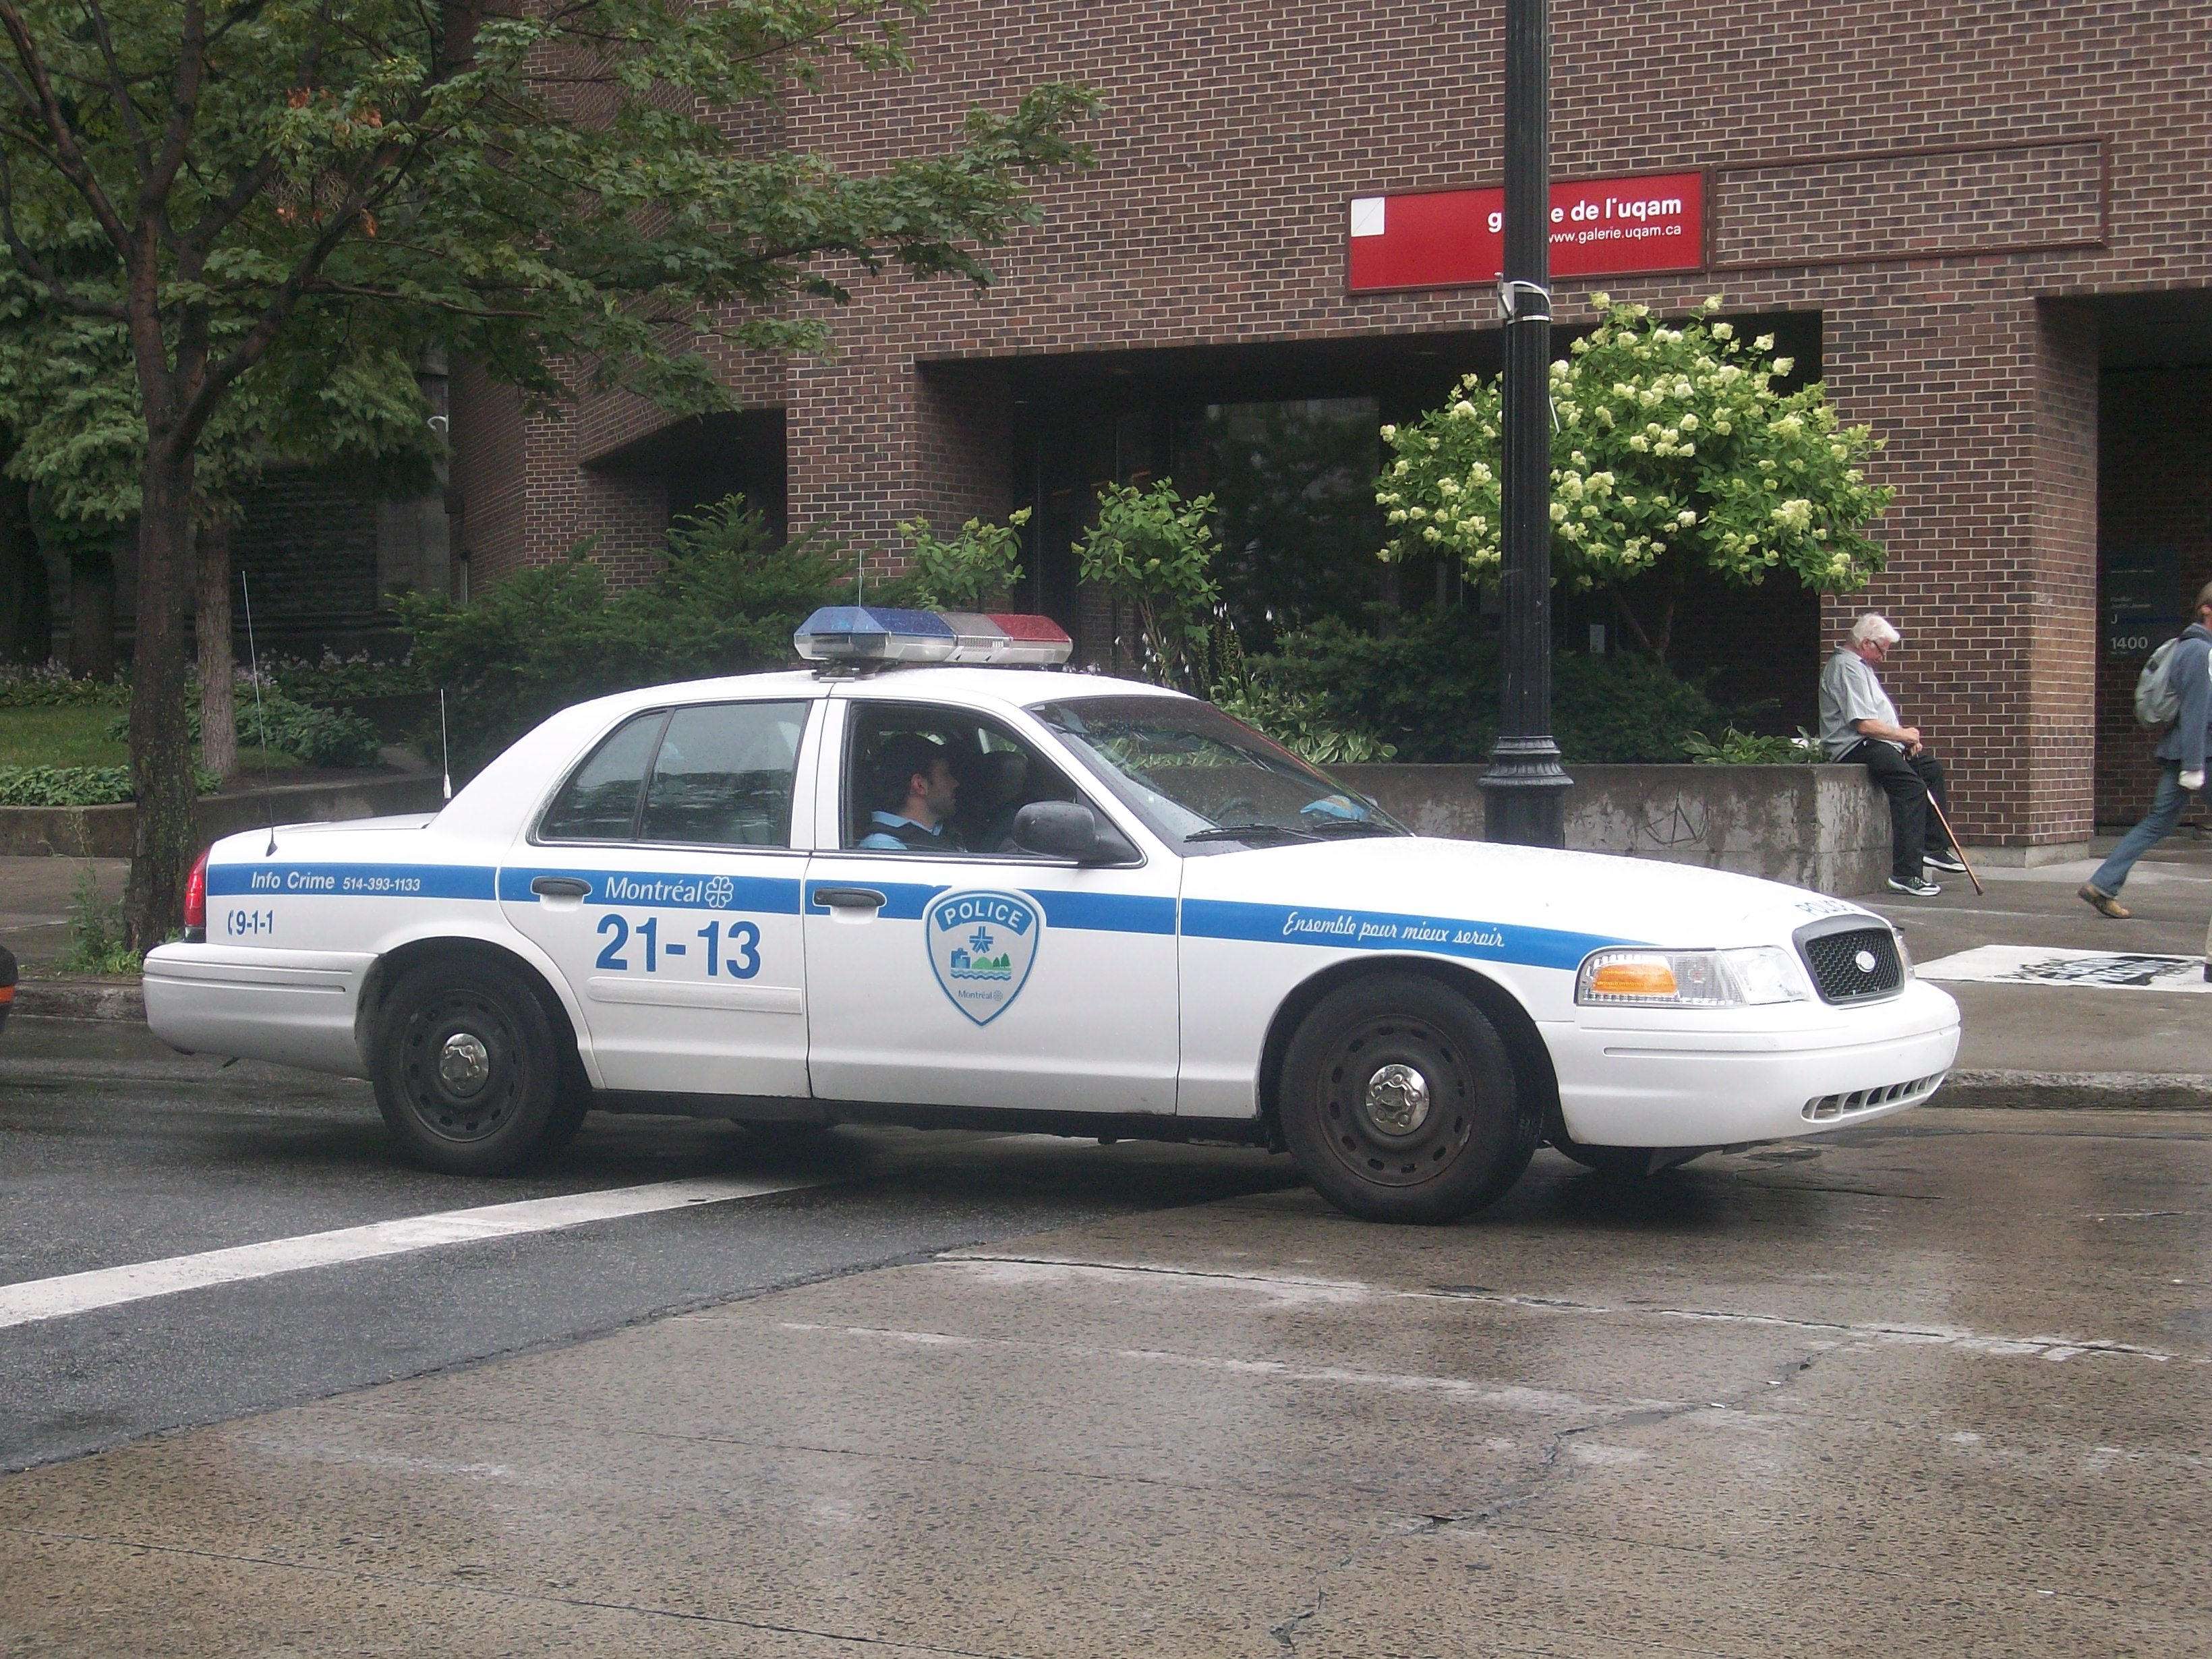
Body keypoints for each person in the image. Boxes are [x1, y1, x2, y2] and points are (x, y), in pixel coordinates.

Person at [2079, 583, 2212, 919]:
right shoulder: (2199, 652)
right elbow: (2197, 710)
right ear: (2207, 610)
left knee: (2158, 822)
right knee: (2157, 822)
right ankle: (2103, 884)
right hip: (2201, 756)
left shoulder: (2190, 647)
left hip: (2182, 753)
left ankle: (2103, 884)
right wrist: (2194, 765)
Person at [1820, 612, 1964, 898]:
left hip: (1876, 743)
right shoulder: (1846, 667)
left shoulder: (1861, 666)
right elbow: (1863, 724)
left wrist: (1902, 740)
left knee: (1930, 769)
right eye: (1882, 649)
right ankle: (1906, 873)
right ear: (1865, 642)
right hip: (1854, 745)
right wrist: (1903, 736)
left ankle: (1933, 847)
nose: (1884, 657)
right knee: (1910, 787)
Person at [858, 732, 966, 852]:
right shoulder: (885, 848)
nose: (955, 783)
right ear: (920, 785)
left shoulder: (941, 831)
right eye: (945, 775)